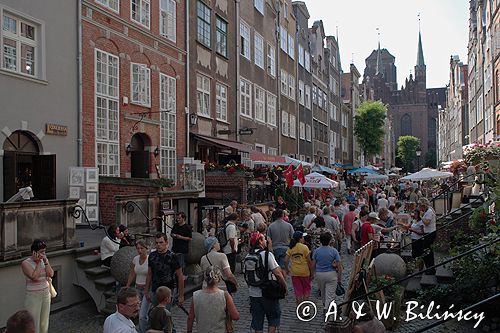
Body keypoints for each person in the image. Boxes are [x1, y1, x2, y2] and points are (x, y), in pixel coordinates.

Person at [247, 232, 287, 333]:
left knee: (257, 321)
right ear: (260, 241)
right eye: (264, 239)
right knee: (273, 318)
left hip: (253, 293)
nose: (266, 241)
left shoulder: (248, 256)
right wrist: (284, 286)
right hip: (268, 292)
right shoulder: (267, 255)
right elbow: (278, 274)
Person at [187, 266, 240, 333]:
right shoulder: (225, 295)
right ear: (220, 278)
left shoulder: (196, 295)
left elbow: (190, 318)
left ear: (205, 278)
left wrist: (189, 331)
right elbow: (235, 316)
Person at [144, 233, 184, 315]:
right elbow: (149, 274)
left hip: (168, 290)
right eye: (157, 243)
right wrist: (146, 291)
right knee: (155, 313)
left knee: (165, 314)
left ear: (166, 242)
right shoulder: (152, 256)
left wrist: (181, 295)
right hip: (155, 289)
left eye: (161, 242)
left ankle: (169, 327)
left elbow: (180, 276)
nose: (158, 245)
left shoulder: (173, 257)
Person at [21, 239, 53, 333]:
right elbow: (34, 277)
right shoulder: (25, 263)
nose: (43, 254)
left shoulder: (44, 260)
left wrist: (46, 262)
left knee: (44, 322)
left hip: (45, 293)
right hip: (33, 295)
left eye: (44, 251)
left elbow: (51, 274)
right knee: (33, 323)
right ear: (34, 252)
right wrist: (38, 262)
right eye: (41, 252)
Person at [311, 233, 342, 313]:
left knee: (323, 292)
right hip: (331, 274)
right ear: (330, 241)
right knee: (330, 293)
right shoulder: (334, 251)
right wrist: (339, 278)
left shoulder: (317, 251)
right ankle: (326, 308)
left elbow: (313, 264)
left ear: (320, 240)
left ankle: (325, 304)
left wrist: (312, 274)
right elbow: (339, 266)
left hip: (320, 274)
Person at [126, 241, 149, 333]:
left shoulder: (150, 259)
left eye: (141, 248)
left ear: (146, 249)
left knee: (143, 314)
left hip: (146, 288)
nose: (139, 250)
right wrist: (127, 285)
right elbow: (132, 273)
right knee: (139, 312)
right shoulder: (135, 259)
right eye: (138, 248)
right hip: (137, 288)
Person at [284, 231, 313, 306]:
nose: (303, 239)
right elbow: (309, 261)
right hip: (305, 272)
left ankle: (299, 309)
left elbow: (285, 260)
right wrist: (312, 272)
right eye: (303, 237)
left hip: (295, 272)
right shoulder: (305, 247)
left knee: (298, 291)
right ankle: (305, 307)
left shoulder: (291, 247)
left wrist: (287, 269)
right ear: (300, 239)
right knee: (306, 289)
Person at [419, 198, 437, 274]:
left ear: (423, 205)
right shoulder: (428, 210)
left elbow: (427, 222)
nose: (420, 207)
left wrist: (421, 216)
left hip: (430, 233)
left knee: (427, 251)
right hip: (429, 233)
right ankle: (429, 268)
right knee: (427, 251)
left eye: (420, 205)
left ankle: (431, 269)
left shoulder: (429, 211)